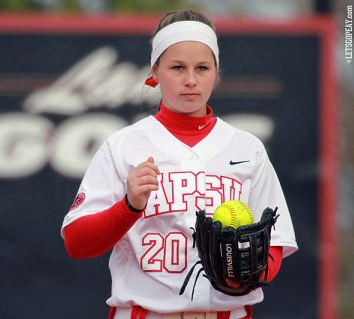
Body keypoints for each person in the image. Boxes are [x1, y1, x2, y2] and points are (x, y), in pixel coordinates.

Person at [61, 10, 298, 319]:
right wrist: (129, 206)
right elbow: (77, 243)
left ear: (216, 72)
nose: (190, 80)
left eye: (202, 68)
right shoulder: (124, 146)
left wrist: (242, 271)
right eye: (177, 67)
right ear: (154, 72)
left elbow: (275, 244)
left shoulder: (247, 148)